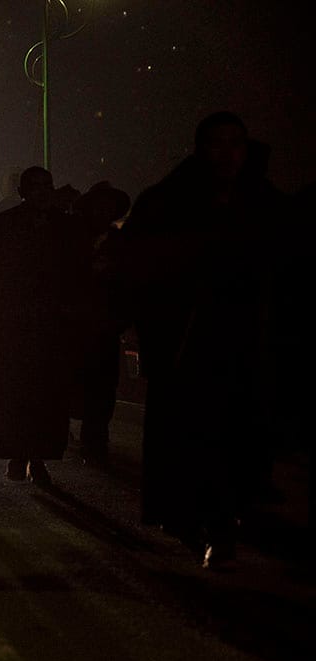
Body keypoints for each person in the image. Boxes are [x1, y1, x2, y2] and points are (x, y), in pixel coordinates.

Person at [121, 112, 285, 568]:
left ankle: (227, 516)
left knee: (240, 436)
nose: (229, 153)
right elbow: (136, 265)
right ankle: (207, 522)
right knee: (197, 437)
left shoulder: (262, 202)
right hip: (188, 345)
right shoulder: (169, 203)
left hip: (249, 342)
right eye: (218, 143)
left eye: (237, 142)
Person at [0, 167, 80, 485]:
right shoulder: (6, 224)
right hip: (13, 322)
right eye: (36, 186)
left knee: (46, 393)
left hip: (49, 323)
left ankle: (38, 457)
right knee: (14, 391)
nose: (42, 192)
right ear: (24, 191)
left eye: (47, 186)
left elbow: (77, 266)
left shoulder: (62, 226)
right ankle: (18, 454)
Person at [70, 182, 132, 467]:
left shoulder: (120, 242)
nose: (103, 211)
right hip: (76, 323)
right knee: (76, 381)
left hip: (106, 325)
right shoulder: (74, 239)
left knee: (105, 385)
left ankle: (95, 439)